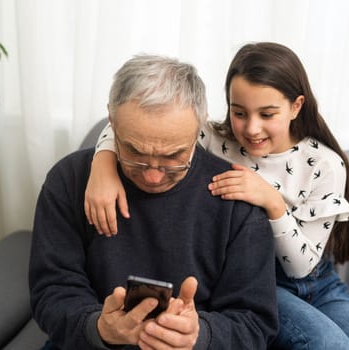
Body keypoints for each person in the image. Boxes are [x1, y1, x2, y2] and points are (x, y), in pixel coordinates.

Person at [84, 42, 349, 349]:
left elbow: (301, 268)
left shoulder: (324, 164)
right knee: (328, 343)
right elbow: (137, 125)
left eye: (267, 114)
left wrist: (272, 202)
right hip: (261, 281)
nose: (251, 129)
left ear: (296, 106)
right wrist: (103, 165)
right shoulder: (214, 140)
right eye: (239, 113)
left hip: (317, 281)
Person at [29, 54, 279, 350]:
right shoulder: (68, 181)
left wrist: (198, 336)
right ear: (112, 119)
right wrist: (100, 328)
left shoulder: (237, 198)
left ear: (200, 128)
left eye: (173, 157)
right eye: (134, 151)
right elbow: (52, 291)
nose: (152, 177)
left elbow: (254, 323)